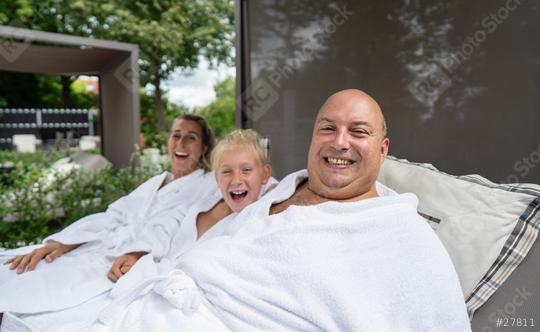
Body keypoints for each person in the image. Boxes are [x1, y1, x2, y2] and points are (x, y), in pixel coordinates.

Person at [87, 89, 471, 331]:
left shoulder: (399, 232)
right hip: (158, 304)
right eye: (327, 129)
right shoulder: (280, 190)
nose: (340, 143)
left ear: (383, 149)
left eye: (358, 132)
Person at [0, 129, 276, 331]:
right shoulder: (208, 197)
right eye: (226, 172)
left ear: (265, 174)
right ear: (216, 177)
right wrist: (136, 251)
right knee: (38, 282)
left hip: (164, 280)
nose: (236, 179)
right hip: (140, 262)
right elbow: (165, 222)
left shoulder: (264, 208)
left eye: (246, 170)